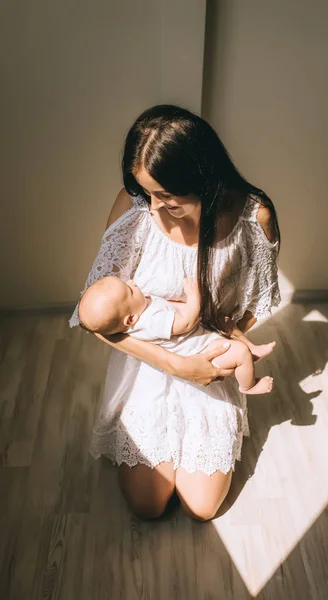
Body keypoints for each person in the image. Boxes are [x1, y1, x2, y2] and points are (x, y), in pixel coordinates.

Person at [70, 104, 281, 521]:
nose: (151, 207)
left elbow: (256, 301)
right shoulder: (134, 210)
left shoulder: (253, 217)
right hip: (148, 361)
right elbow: (93, 317)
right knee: (147, 505)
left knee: (201, 507)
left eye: (166, 196)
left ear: (202, 178)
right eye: (146, 192)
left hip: (208, 357)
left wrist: (225, 346)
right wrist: (175, 364)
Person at [77, 275, 276, 395]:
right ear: (130, 319)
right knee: (239, 352)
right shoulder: (149, 321)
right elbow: (185, 323)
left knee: (227, 323)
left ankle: (253, 350)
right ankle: (248, 385)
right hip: (205, 353)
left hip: (206, 337)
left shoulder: (140, 312)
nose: (133, 283)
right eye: (130, 290)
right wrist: (194, 296)